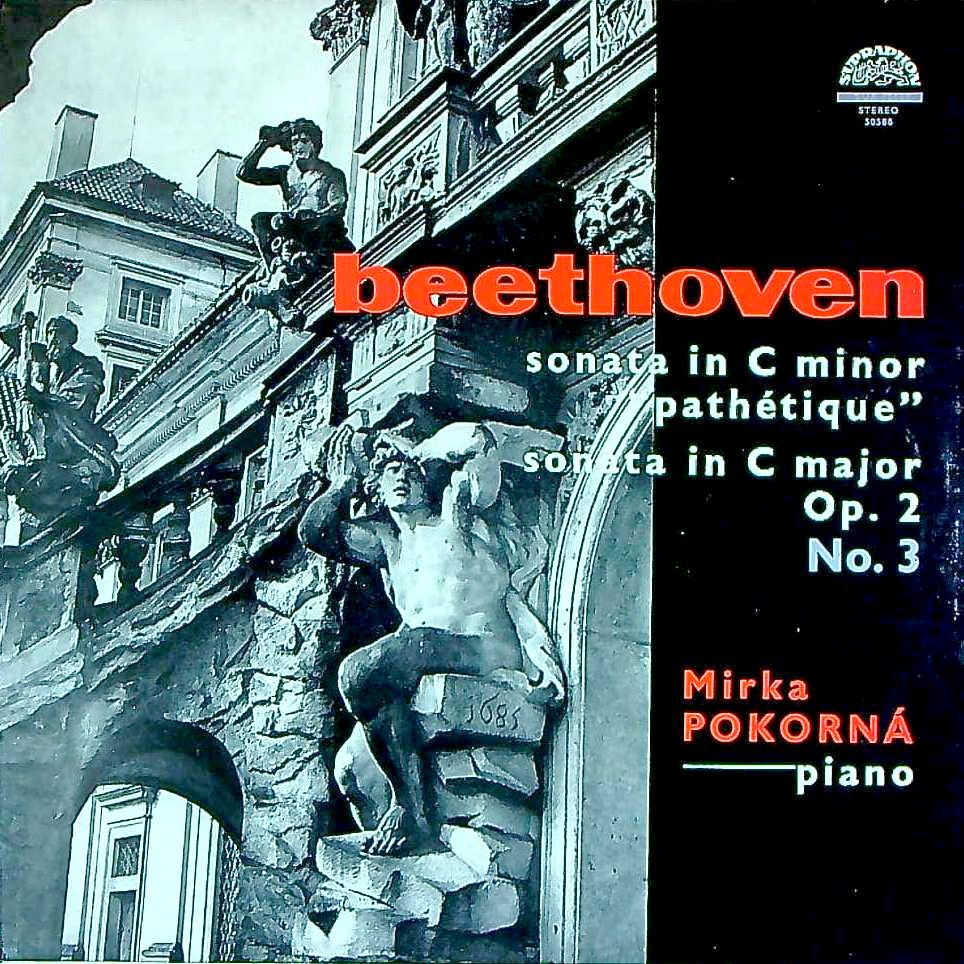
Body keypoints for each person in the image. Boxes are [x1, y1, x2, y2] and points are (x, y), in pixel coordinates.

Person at [298, 420, 564, 855]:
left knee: (365, 669)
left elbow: (478, 441)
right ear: (376, 487)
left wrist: (418, 451)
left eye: (410, 472)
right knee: (351, 769)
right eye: (391, 471)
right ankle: (405, 842)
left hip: (484, 650)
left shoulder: (454, 512)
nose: (402, 477)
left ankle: (411, 809)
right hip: (421, 654)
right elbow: (315, 533)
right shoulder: (386, 543)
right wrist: (344, 481)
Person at [237, 118, 353, 269]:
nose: (299, 146)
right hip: (294, 227)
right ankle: (274, 267)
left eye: (304, 141)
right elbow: (244, 173)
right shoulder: (285, 174)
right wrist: (264, 144)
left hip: (322, 229)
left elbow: (337, 207)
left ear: (315, 145)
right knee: (261, 220)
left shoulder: (330, 174)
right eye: (294, 142)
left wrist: (313, 215)